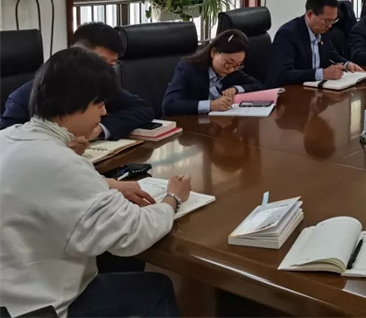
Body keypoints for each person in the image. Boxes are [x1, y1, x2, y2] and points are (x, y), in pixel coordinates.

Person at [0, 47, 191, 317]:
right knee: (156, 289)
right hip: (39, 307)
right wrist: (174, 198)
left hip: (9, 293)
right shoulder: (58, 161)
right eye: (98, 104)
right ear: (71, 103)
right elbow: (134, 233)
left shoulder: (9, 137)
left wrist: (110, 184)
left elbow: (40, 187)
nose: (104, 112)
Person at [1, 22, 153, 150]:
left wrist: (99, 129)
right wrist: (57, 146)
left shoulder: (100, 86)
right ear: (76, 53)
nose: (105, 71)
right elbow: (7, 146)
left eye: (111, 65)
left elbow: (142, 108)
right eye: (100, 61)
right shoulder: (22, 97)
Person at [270, 0, 363, 86]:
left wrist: (347, 64)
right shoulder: (287, 34)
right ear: (310, 15)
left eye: (333, 21)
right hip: (291, 91)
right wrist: (322, 74)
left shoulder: (322, 30)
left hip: (315, 89)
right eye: (326, 21)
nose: (330, 26)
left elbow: (331, 54)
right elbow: (284, 74)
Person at [162, 29, 265, 116]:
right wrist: (211, 105)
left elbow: (259, 86)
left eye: (238, 64)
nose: (231, 69)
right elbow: (169, 105)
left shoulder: (234, 71)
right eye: (228, 62)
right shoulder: (189, 68)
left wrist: (235, 89)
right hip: (188, 126)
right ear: (213, 52)